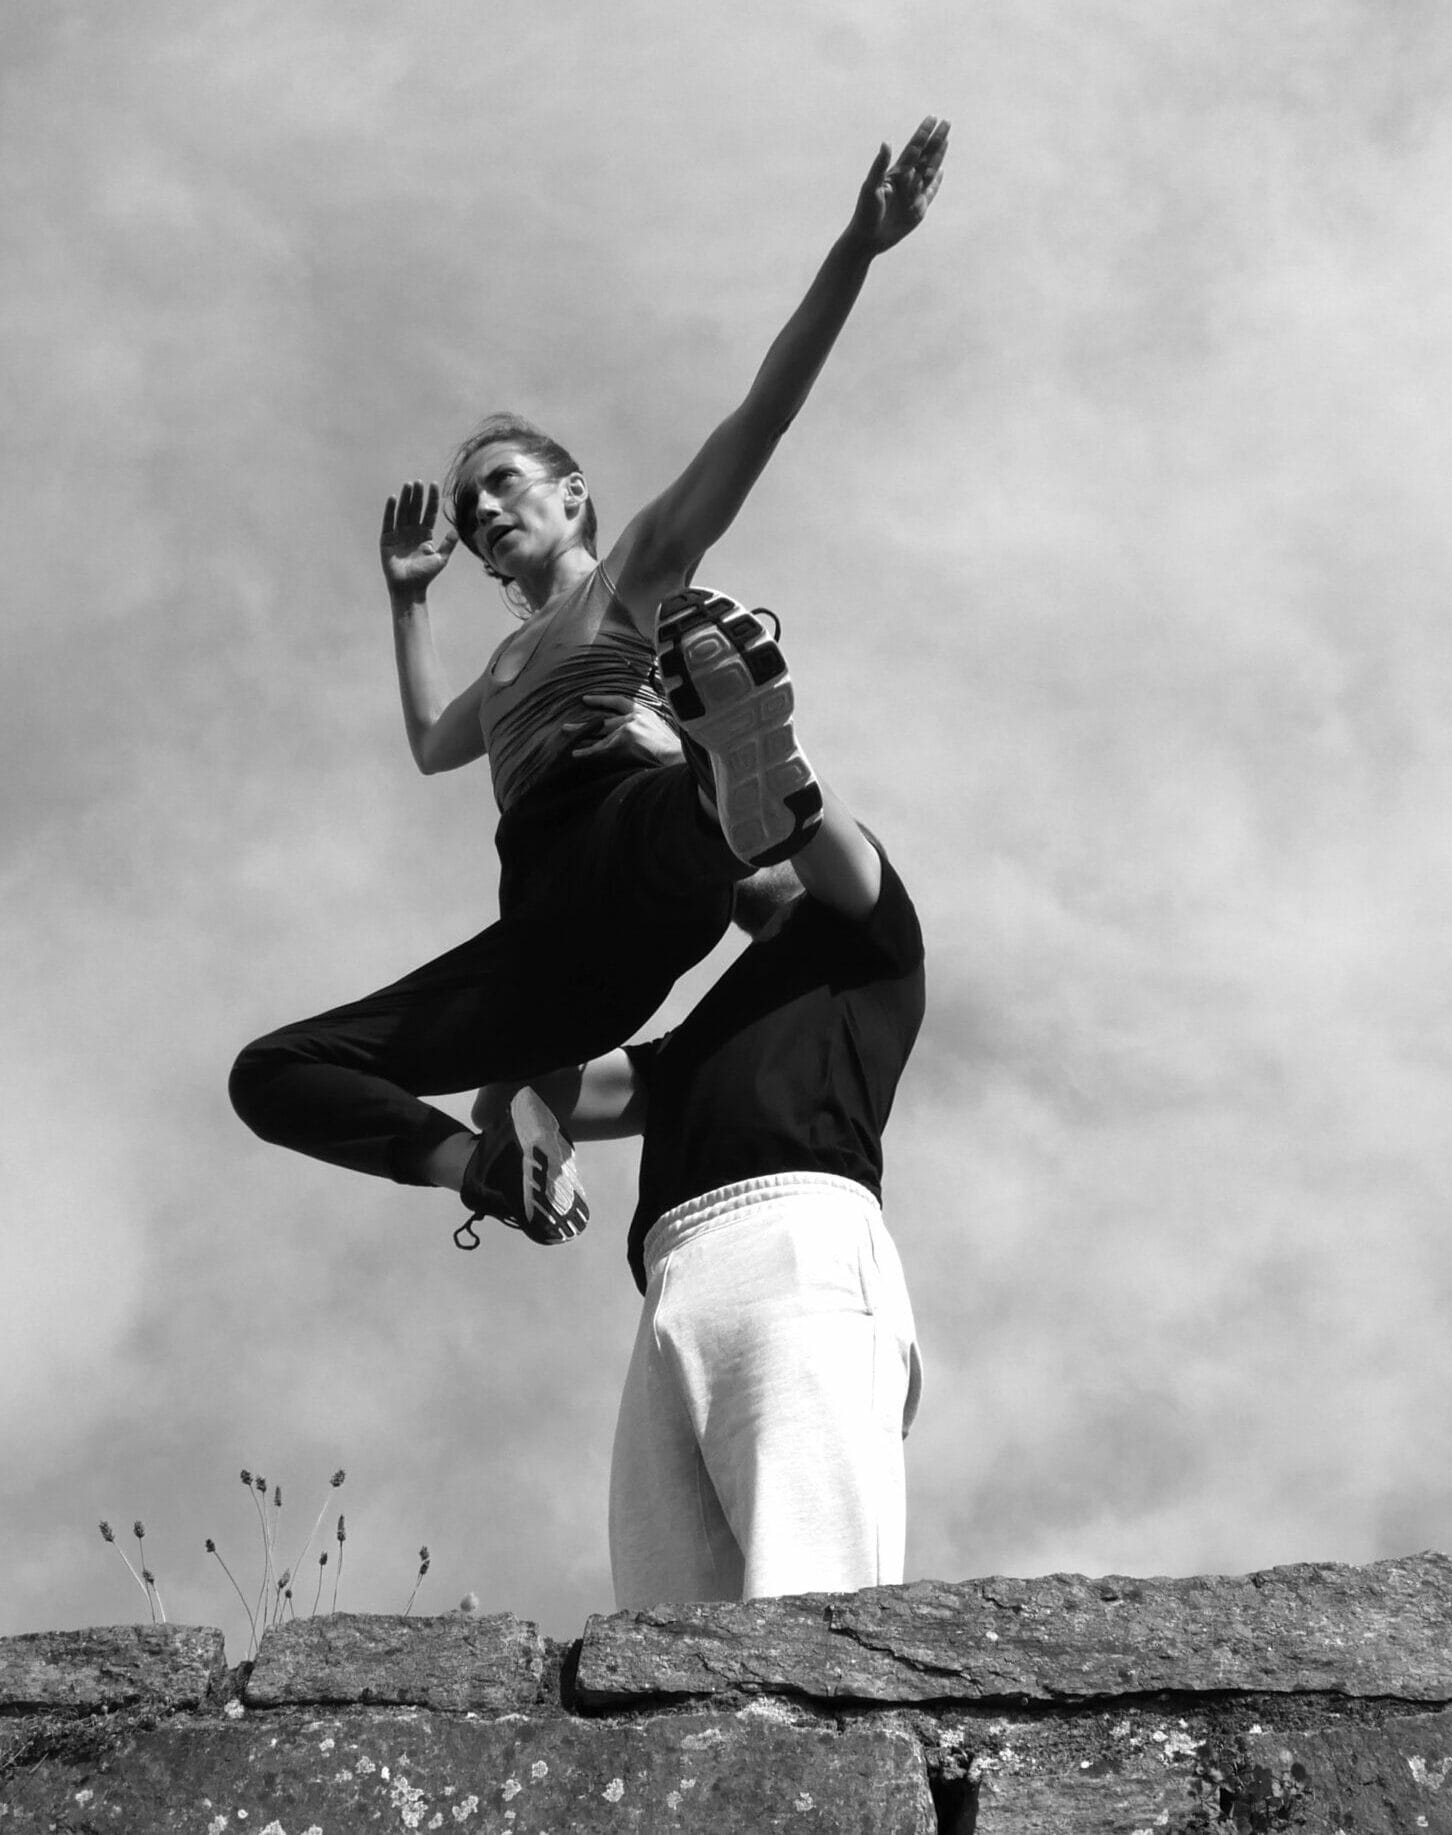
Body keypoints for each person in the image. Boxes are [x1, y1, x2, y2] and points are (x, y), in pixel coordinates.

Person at [230, 120, 949, 1249]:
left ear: (572, 494)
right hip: (548, 934)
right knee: (274, 1072)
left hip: (636, 825)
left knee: (666, 784)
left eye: (504, 487)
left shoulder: (633, 571)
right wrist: (408, 599)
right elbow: (430, 745)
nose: (483, 516)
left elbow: (760, 412)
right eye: (471, 516)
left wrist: (856, 251)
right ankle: (487, 1173)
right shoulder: (500, 668)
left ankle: (733, 789)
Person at [475, 742, 925, 1605]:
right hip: (670, 1279)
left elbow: (791, 792)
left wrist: (710, 744)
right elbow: (511, 1085)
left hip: (797, 1242)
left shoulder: (876, 938)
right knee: (663, 1635)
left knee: (816, 1606)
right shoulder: (695, 1041)